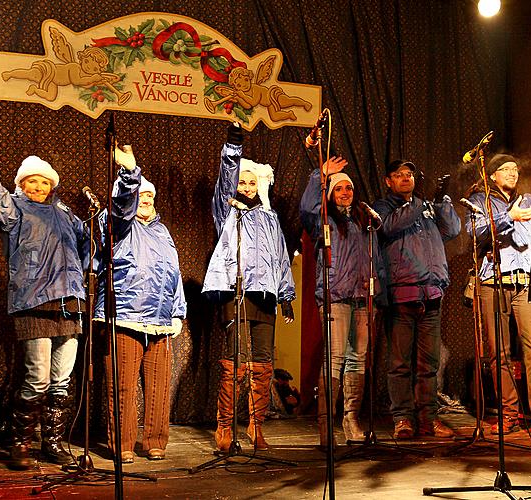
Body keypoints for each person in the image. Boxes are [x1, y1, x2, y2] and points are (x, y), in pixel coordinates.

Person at [0, 120, 90, 470]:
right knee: (38, 378)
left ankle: (54, 443)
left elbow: (90, 246)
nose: (38, 186)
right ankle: (21, 443)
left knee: (62, 381)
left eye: (44, 181)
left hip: (70, 304)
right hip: (34, 302)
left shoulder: (68, 216)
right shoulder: (14, 211)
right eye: (31, 180)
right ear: (21, 184)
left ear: (52, 185)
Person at [203, 123, 295, 452]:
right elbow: (226, 179)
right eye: (242, 181)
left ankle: (256, 428)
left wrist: (286, 296)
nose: (246, 186)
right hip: (235, 294)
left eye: (252, 181)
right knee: (234, 365)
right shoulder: (226, 212)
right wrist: (233, 146)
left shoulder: (269, 218)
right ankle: (225, 428)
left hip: (265, 298)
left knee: (262, 365)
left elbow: (281, 257)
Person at [96, 145, 186, 462]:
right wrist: (129, 174)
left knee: (159, 387)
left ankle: (154, 440)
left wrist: (178, 312)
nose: (145, 200)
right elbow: (120, 206)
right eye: (141, 195)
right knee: (122, 386)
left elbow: (173, 273)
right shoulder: (118, 225)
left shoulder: (163, 232)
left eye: (150, 196)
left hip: (159, 319)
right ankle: (121, 443)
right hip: (125, 314)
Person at [464, 153, 531, 436]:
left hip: (525, 282)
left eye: (515, 169)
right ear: (492, 175)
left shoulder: (529, 199)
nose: (512, 173)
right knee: (500, 353)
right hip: (493, 282)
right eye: (505, 169)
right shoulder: (480, 200)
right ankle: (508, 414)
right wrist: (509, 217)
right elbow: (475, 231)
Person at [299, 156, 385, 446]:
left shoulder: (363, 221)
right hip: (336, 296)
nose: (345, 193)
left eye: (348, 188)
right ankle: (326, 428)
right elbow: (307, 207)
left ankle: (351, 420)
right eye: (339, 189)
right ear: (330, 193)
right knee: (335, 359)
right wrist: (320, 176)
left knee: (358, 359)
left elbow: (375, 258)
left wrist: (377, 287)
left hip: (363, 298)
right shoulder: (323, 220)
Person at [372, 159, 460, 439]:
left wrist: (441, 200)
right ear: (388, 181)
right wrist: (419, 204)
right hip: (401, 294)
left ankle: (428, 419)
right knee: (400, 364)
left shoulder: (426, 207)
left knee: (429, 364)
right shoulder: (384, 207)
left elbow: (452, 229)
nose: (406, 178)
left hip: (432, 294)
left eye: (409, 174)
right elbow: (387, 228)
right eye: (399, 175)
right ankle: (402, 419)